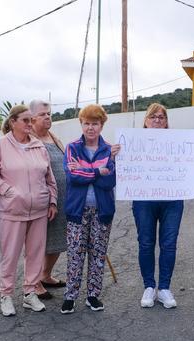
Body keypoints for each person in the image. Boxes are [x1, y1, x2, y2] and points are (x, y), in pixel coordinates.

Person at [0, 105, 58, 316]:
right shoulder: (0, 145)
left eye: (30, 120)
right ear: (13, 122)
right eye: (25, 120)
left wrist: (52, 201)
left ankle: (30, 293)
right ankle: (6, 295)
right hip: (13, 210)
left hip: (39, 210)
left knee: (35, 254)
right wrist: (9, 191)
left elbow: (49, 178)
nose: (29, 124)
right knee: (10, 255)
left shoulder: (38, 146)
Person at [134, 103, 194, 309]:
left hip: (172, 201)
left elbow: (190, 164)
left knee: (169, 243)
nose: (157, 120)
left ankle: (164, 288)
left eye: (161, 117)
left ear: (167, 122)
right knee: (146, 243)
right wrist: (116, 154)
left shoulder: (178, 142)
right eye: (153, 117)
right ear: (146, 121)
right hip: (144, 200)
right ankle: (149, 286)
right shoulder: (133, 142)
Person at [60, 104, 117, 314]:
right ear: (81, 124)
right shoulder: (72, 147)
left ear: (102, 125)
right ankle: (70, 296)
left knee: (98, 254)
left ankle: (93, 295)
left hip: (102, 210)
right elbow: (72, 177)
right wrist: (97, 171)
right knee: (75, 253)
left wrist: (86, 171)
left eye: (95, 123)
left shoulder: (109, 150)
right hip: (77, 209)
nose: (90, 128)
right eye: (87, 123)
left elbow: (109, 182)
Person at [28, 99, 67, 300]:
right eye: (43, 114)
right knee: (38, 242)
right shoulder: (28, 139)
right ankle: (33, 283)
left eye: (49, 113)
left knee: (58, 239)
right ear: (32, 117)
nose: (48, 117)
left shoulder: (53, 136)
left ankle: (45, 275)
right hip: (41, 199)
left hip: (62, 198)